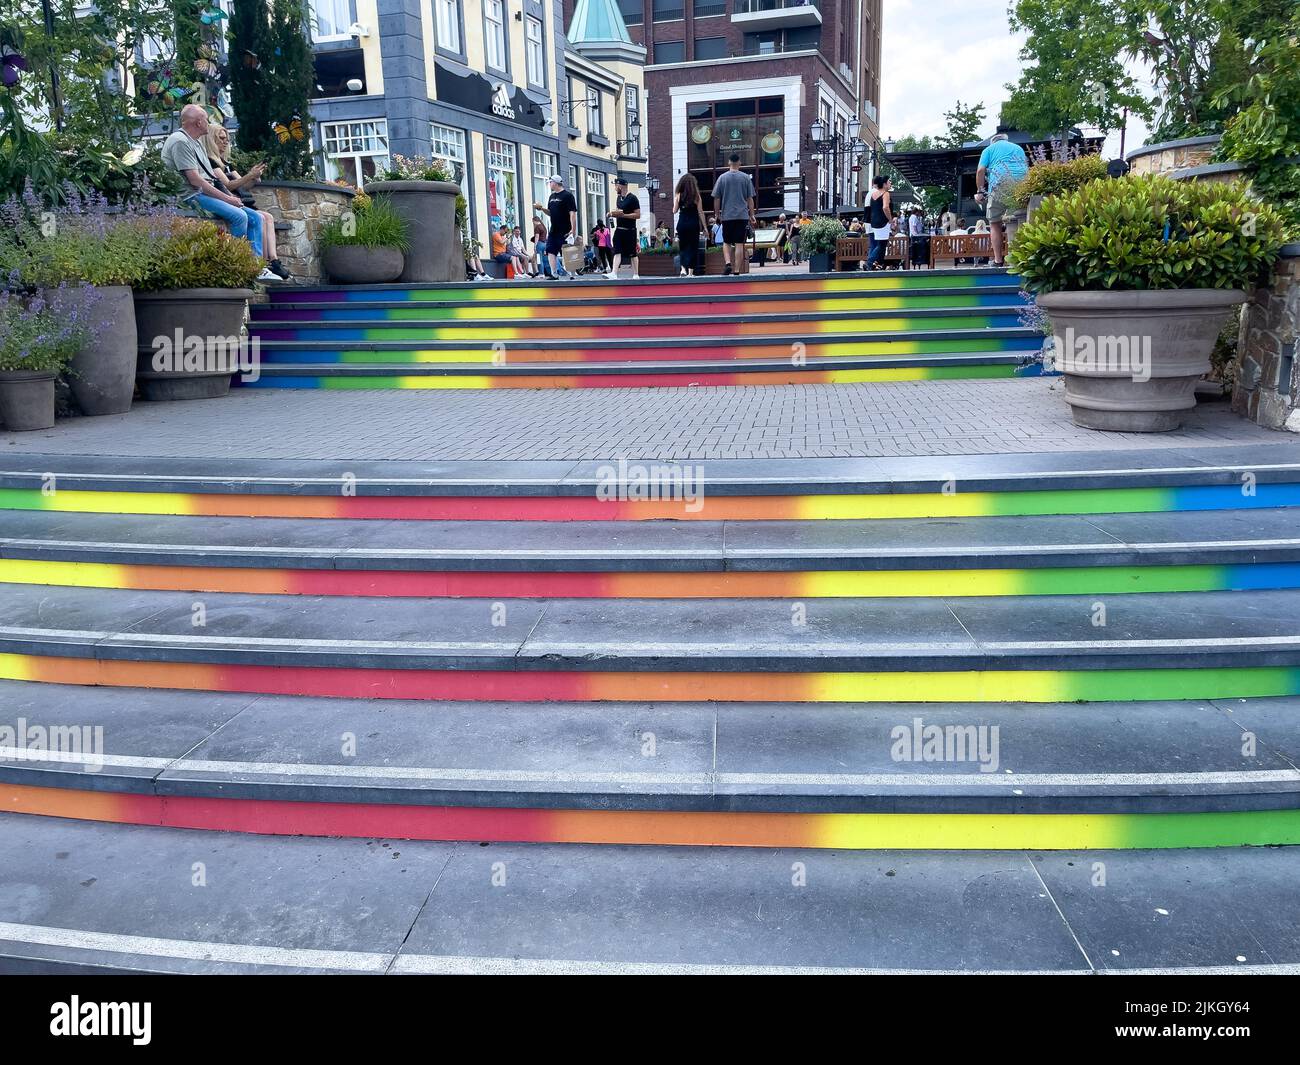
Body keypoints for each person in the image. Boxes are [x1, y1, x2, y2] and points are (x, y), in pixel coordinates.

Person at [163, 104, 277, 282]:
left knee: (256, 218)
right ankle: (236, 266)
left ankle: (255, 268)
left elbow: (208, 178)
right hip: (191, 196)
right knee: (239, 216)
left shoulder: (195, 142)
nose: (208, 123)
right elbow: (195, 181)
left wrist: (229, 196)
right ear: (199, 122)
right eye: (207, 120)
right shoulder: (180, 141)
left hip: (204, 193)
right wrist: (228, 199)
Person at [203, 123, 288, 279]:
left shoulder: (227, 164)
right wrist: (249, 175)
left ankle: (272, 261)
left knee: (266, 217)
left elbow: (243, 185)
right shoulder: (211, 162)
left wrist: (255, 177)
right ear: (211, 140)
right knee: (261, 218)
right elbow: (228, 185)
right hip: (230, 202)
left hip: (240, 201)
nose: (225, 142)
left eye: (227, 139)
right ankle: (261, 264)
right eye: (221, 138)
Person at [975, 132, 1029, 267]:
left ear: (993, 142)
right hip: (1021, 187)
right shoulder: (1018, 148)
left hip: (999, 185)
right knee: (1019, 220)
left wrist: (980, 192)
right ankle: (1021, 259)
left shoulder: (988, 150)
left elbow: (980, 171)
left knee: (994, 223)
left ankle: (998, 260)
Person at [711, 153, 756, 276]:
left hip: (727, 215)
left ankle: (727, 263)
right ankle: (737, 271)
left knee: (726, 242)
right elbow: (750, 198)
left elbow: (716, 198)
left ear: (729, 163)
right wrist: (752, 215)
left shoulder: (722, 178)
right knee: (739, 243)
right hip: (742, 216)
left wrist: (717, 214)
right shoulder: (746, 178)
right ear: (740, 163)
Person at [533, 175, 578, 279]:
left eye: (550, 182)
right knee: (550, 250)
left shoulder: (568, 196)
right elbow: (550, 213)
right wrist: (541, 209)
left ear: (556, 183)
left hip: (565, 228)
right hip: (554, 229)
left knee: (569, 251)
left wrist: (573, 229)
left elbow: (572, 214)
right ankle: (554, 273)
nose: (549, 184)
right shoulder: (551, 197)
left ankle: (572, 274)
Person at [608, 177, 640, 280]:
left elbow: (637, 215)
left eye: (616, 186)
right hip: (619, 229)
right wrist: (612, 214)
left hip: (629, 230)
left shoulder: (633, 198)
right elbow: (619, 211)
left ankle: (636, 274)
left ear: (621, 186)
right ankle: (614, 273)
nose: (615, 188)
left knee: (632, 253)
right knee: (617, 250)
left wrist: (623, 215)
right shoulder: (619, 198)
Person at [674, 173, 705, 277]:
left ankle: (683, 269)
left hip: (682, 224)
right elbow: (700, 212)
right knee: (693, 247)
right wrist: (705, 227)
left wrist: (676, 200)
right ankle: (691, 272)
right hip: (693, 224)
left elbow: (674, 210)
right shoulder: (696, 196)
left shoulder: (679, 195)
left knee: (683, 246)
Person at [865, 174, 893, 270]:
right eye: (889, 182)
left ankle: (877, 264)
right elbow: (885, 207)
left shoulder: (873, 194)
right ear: (884, 184)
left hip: (874, 222)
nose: (890, 184)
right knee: (881, 245)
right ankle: (871, 262)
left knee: (880, 244)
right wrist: (890, 219)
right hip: (883, 222)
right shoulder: (885, 194)